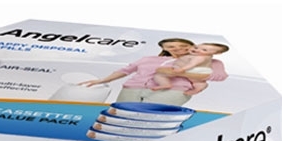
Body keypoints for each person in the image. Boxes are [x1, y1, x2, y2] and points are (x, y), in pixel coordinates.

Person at [80, 38, 228, 106]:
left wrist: (179, 73)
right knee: (122, 115)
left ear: (193, 46)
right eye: (171, 46)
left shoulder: (209, 61)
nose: (178, 49)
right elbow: (125, 71)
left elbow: (219, 76)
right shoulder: (148, 59)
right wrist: (101, 80)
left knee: (151, 118)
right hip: (132, 89)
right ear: (165, 48)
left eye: (183, 46)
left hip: (173, 91)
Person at [151, 43, 230, 95]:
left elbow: (192, 64)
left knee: (159, 75)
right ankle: (199, 86)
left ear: (216, 53)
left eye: (204, 50)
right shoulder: (205, 56)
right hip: (199, 71)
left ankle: (165, 84)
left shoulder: (200, 57)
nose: (197, 50)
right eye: (196, 47)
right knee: (196, 81)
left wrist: (182, 70)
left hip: (193, 70)